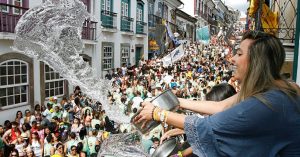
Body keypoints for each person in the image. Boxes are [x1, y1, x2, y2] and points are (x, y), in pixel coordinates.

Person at [134, 31, 300, 156]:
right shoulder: (275, 89)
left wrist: (158, 113)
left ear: (257, 62)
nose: (232, 59)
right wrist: (173, 100)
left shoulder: (270, 103)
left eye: (239, 54)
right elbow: (221, 107)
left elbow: (207, 128)